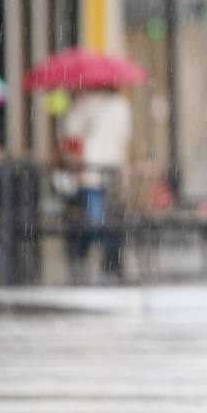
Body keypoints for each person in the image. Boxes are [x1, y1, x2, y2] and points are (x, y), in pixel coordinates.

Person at [60, 86, 132, 280]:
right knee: (104, 214)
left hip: (92, 168)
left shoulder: (86, 105)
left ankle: (95, 254)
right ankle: (105, 255)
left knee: (94, 215)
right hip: (109, 168)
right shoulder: (119, 105)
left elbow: (70, 132)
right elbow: (124, 135)